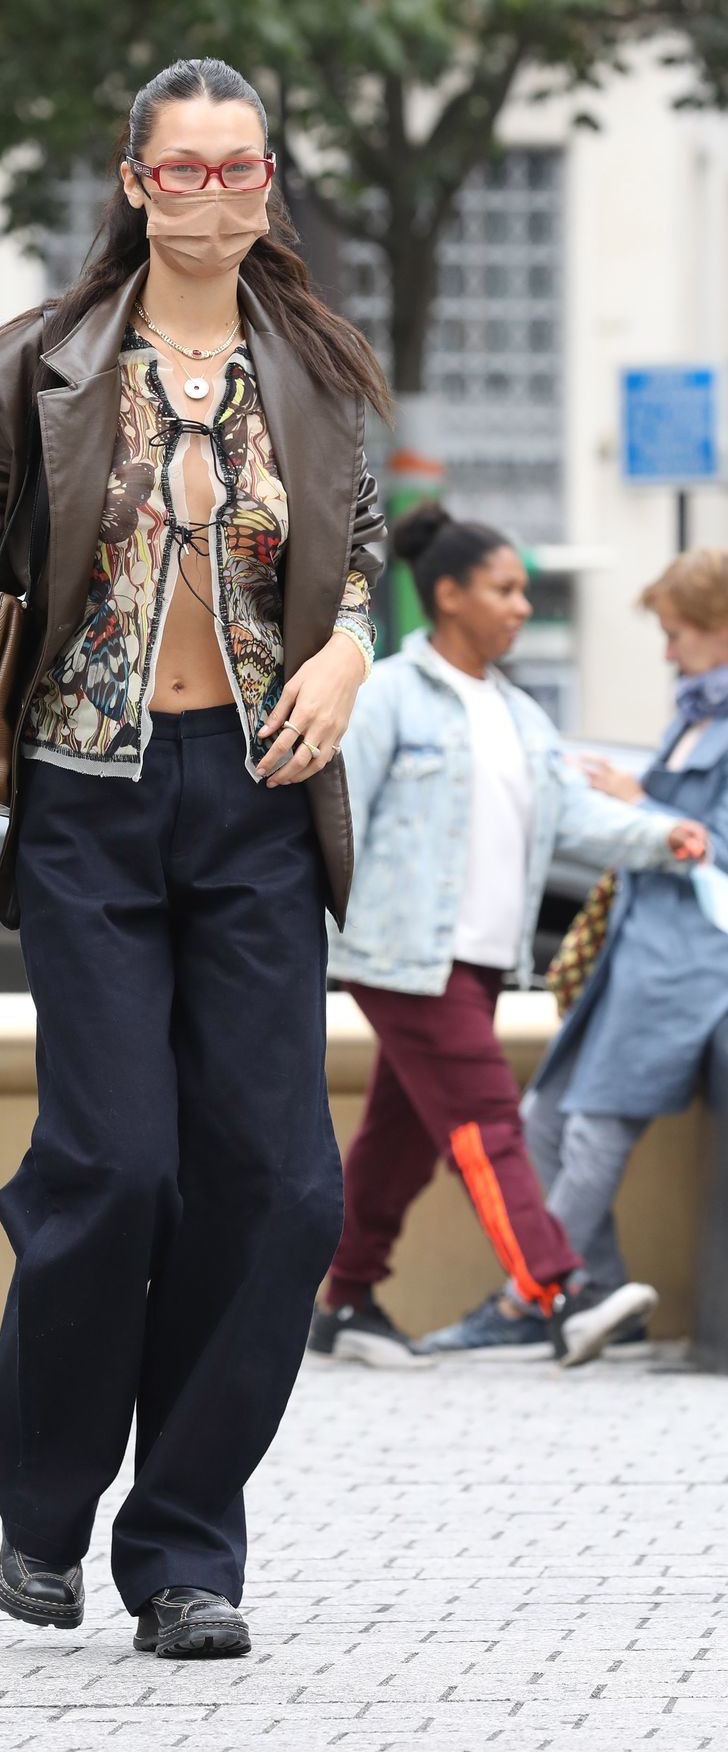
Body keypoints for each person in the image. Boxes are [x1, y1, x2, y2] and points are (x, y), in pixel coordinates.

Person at [0, 58, 390, 1658]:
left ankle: (181, 1549)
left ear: (267, 182)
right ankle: (44, 1508)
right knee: (113, 1169)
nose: (214, 195)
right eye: (184, 169)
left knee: (283, 1189)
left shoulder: (318, 366)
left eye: (241, 168)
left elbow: (357, 556)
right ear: (133, 182)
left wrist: (349, 654)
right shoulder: (34, 362)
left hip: (256, 801)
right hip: (89, 796)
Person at [308, 504, 709, 1370]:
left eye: (524, 591)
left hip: (482, 959)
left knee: (402, 1136)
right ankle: (556, 1292)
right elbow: (338, 818)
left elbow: (573, 813)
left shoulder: (520, 713)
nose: (523, 606)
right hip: (406, 956)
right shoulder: (389, 695)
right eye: (505, 589)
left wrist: (662, 834)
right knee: (487, 1121)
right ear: (449, 595)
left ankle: (345, 1302)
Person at [502, 549, 728, 1334]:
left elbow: (717, 843)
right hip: (637, 953)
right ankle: (598, 1294)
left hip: (687, 964)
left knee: (595, 1125)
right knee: (543, 1116)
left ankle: (532, 1298)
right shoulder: (695, 713)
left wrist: (639, 803)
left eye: (676, 634)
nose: (666, 652)